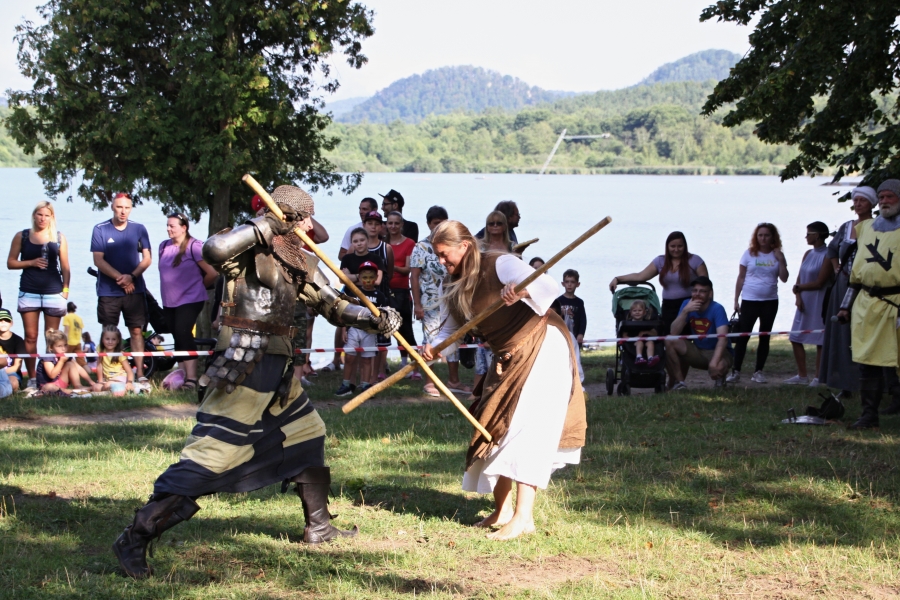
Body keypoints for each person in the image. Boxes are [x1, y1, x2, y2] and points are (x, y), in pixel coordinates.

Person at [112, 185, 401, 579]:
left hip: (279, 372)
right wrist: (265, 225)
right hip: (244, 368)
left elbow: (332, 304)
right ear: (285, 217)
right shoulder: (247, 250)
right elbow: (213, 250)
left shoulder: (298, 259)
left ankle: (319, 526)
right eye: (301, 219)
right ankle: (135, 536)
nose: (308, 227)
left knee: (307, 434)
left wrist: (373, 318)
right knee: (211, 457)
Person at [421, 220, 585, 541]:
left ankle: (524, 517)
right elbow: (450, 331)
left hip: (542, 343)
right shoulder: (450, 284)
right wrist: (434, 347)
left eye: (443, 254)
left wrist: (523, 290)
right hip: (506, 355)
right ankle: (503, 511)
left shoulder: (499, 263)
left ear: (464, 246)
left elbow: (548, 287)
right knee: (495, 428)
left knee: (527, 428)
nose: (440, 261)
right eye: (436, 255)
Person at [836, 180, 900, 429]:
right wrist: (845, 307)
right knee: (867, 361)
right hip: (866, 303)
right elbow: (856, 276)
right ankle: (869, 415)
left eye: (890, 196)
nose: (884, 201)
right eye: (881, 197)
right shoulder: (866, 228)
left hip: (895, 303)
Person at [6, 201, 71, 386]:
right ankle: (33, 378)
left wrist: (65, 290)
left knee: (51, 337)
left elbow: (65, 267)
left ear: (52, 217)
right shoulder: (22, 236)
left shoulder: (59, 237)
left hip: (54, 293)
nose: (43, 218)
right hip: (29, 291)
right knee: (30, 336)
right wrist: (31, 262)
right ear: (34, 215)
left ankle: (50, 378)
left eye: (46, 215)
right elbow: (11, 263)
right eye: (40, 214)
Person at [820, 187, 876, 397]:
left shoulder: (877, 226)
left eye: (863, 200)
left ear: (871, 204)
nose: (858, 204)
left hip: (865, 286)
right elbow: (832, 249)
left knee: (863, 332)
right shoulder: (846, 227)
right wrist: (837, 267)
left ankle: (869, 382)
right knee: (842, 334)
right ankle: (845, 383)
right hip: (843, 284)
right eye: (856, 200)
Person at [91, 192, 152, 382]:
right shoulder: (100, 229)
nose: (123, 211)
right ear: (112, 207)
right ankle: (106, 374)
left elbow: (147, 259)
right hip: (108, 291)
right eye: (119, 207)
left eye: (127, 207)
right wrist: (121, 278)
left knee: (136, 331)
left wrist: (131, 277)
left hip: (135, 289)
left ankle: (139, 373)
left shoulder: (139, 228)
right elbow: (98, 260)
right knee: (108, 332)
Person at [410, 206, 471, 396]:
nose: (438, 227)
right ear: (429, 224)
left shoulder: (453, 246)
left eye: (442, 223)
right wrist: (417, 304)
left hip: (453, 299)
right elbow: (414, 277)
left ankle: (454, 380)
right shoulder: (421, 247)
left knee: (452, 338)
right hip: (430, 303)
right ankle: (430, 382)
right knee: (430, 341)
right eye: (435, 223)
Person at [158, 213, 218, 391]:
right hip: (169, 300)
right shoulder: (163, 246)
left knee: (183, 332)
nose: (168, 229)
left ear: (184, 227)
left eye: (172, 226)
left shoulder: (195, 246)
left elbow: (212, 273)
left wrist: (198, 287)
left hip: (191, 299)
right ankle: (181, 375)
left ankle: (192, 378)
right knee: (176, 334)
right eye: (167, 225)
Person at [608, 231, 708, 335]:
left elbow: (706, 285)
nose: (676, 249)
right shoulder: (660, 261)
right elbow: (640, 276)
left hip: (690, 304)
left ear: (685, 246)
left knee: (690, 334)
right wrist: (618, 279)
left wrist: (707, 306)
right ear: (667, 246)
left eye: (680, 246)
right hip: (668, 306)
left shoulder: (695, 260)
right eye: (672, 246)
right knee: (668, 336)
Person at [726, 223, 789, 384]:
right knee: (743, 336)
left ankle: (758, 371)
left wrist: (781, 260)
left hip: (770, 301)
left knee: (764, 336)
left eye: (766, 235)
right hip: (749, 300)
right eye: (760, 235)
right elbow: (741, 277)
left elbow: (784, 278)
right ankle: (736, 371)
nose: (763, 238)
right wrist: (736, 299)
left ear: (772, 237)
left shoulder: (777, 255)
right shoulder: (749, 254)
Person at [665, 276, 734, 390]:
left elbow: (723, 338)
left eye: (702, 291)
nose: (697, 294)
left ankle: (720, 380)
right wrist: (685, 312)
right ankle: (680, 383)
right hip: (698, 350)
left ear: (710, 293)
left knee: (718, 366)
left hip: (719, 351)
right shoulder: (687, 304)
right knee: (669, 340)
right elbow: (673, 332)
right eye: (695, 290)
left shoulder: (717, 308)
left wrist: (714, 362)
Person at [786, 222, 833, 386]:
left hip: (819, 300)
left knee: (820, 340)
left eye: (809, 234)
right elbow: (799, 278)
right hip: (804, 301)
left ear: (817, 235)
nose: (806, 237)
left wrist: (800, 288)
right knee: (795, 337)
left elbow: (820, 282)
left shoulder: (828, 255)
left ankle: (818, 377)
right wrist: (798, 296)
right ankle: (802, 375)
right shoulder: (807, 254)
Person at [336, 262, 388, 397]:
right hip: (354, 329)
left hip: (370, 332)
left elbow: (384, 315)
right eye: (365, 277)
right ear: (359, 277)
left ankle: (366, 385)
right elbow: (345, 312)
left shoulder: (379, 295)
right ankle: (346, 384)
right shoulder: (353, 293)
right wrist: (344, 330)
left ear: (376, 277)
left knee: (367, 359)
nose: (368, 281)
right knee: (349, 357)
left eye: (371, 277)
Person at [363, 211, 395, 380]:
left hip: (381, 299)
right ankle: (364, 377)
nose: (373, 227)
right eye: (370, 223)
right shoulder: (358, 247)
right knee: (362, 337)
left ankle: (380, 372)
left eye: (376, 224)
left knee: (382, 339)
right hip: (362, 300)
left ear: (381, 226)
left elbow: (389, 273)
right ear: (364, 225)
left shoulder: (386, 248)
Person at [386, 211, 418, 370]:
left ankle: (414, 364)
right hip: (385, 290)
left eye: (396, 223)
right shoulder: (383, 242)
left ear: (402, 225)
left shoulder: (409, 243)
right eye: (390, 223)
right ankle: (391, 364)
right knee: (387, 330)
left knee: (406, 331)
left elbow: (407, 269)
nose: (393, 226)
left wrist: (391, 267)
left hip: (402, 292)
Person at [35, 328, 93, 394]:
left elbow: (79, 368)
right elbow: (52, 375)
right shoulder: (48, 357)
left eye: (65, 345)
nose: (63, 348)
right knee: (49, 387)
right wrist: (61, 362)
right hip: (47, 385)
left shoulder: (65, 355)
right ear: (51, 347)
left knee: (70, 364)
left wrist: (91, 382)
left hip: (59, 383)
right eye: (59, 346)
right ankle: (71, 391)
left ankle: (78, 386)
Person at [94, 325, 134, 392]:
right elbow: (99, 365)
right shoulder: (100, 349)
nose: (110, 342)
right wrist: (100, 381)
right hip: (108, 380)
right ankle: (113, 389)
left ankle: (122, 388)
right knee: (96, 387)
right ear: (102, 339)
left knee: (107, 385)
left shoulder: (120, 353)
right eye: (107, 339)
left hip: (120, 378)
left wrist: (129, 382)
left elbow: (129, 371)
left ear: (118, 340)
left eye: (113, 339)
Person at [556, 269, 586, 348]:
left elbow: (583, 320)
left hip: (575, 337)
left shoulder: (579, 302)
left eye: (572, 282)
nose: (569, 284)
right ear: (563, 284)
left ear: (577, 284)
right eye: (567, 282)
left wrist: (581, 334)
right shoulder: (557, 301)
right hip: (560, 335)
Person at [625, 300, 659, 367]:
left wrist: (646, 332)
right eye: (634, 311)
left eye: (640, 310)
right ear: (631, 312)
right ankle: (639, 357)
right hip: (633, 343)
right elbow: (624, 336)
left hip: (645, 340)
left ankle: (650, 358)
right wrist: (633, 338)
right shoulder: (627, 323)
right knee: (640, 342)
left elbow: (655, 333)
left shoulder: (647, 323)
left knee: (650, 342)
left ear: (644, 312)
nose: (637, 312)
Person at [0, 308, 26, 392]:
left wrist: (3, 373)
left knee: (13, 383)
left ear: (11, 323)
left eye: (6, 320)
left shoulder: (18, 340)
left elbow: (17, 366)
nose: (3, 322)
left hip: (11, 373)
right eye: (0, 320)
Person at [62, 302, 86, 366]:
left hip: (69, 342)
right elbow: (81, 330)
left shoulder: (67, 317)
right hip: (78, 342)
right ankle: (89, 371)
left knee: (63, 360)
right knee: (82, 362)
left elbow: (66, 330)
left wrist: (63, 342)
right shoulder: (79, 318)